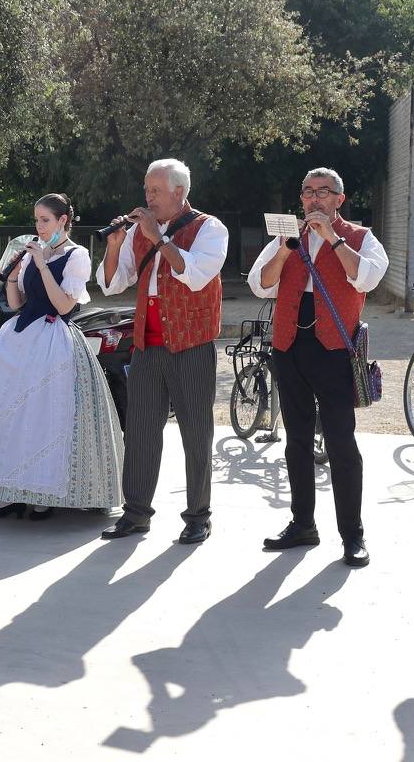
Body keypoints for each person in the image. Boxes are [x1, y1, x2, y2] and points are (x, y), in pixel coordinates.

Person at [0, 193, 122, 519]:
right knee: (10, 415)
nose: (39, 227)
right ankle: (12, 491)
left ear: (62, 221)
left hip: (54, 340)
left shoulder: (76, 255)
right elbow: (16, 304)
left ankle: (44, 494)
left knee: (46, 418)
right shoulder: (31, 254)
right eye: (37, 220)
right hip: (20, 338)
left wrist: (41, 264)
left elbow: (64, 305)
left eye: (45, 220)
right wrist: (14, 274)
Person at [247, 168, 389, 567]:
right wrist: (284, 250)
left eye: (322, 192)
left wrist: (333, 238)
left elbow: (368, 278)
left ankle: (352, 534)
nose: (313, 199)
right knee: (296, 440)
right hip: (289, 345)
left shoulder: (360, 237)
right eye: (307, 192)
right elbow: (260, 283)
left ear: (339, 200)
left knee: (342, 442)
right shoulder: (285, 235)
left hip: (333, 350)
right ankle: (302, 523)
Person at [96, 159, 228, 543]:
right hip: (146, 345)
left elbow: (195, 275)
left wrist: (159, 238)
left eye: (155, 190)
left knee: (196, 433)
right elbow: (113, 283)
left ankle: (198, 516)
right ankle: (135, 513)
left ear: (179, 192)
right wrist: (116, 246)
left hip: (191, 345)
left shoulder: (210, 228)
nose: (147, 197)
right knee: (139, 431)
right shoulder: (139, 232)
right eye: (146, 190)